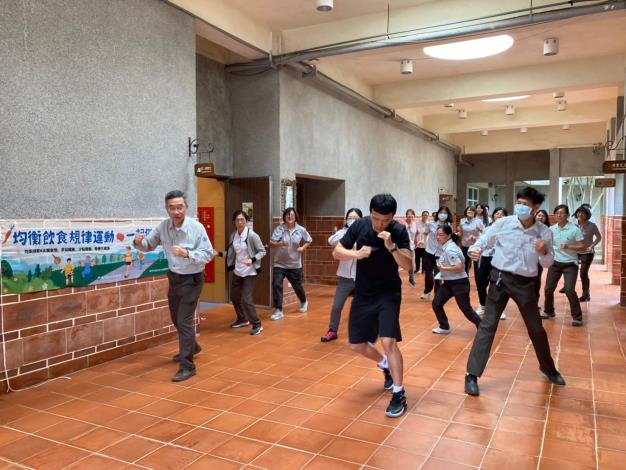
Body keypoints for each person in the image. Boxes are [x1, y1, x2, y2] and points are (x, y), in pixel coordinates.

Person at [464, 187, 565, 396]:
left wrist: (543, 250)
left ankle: (548, 368)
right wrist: (477, 249)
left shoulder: (544, 232)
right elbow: (485, 239)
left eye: (526, 204)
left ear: (536, 208)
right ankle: (471, 375)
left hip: (526, 283)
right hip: (500, 278)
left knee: (536, 329)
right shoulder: (503, 223)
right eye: (519, 202)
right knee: (488, 325)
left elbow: (547, 263)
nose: (520, 206)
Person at [333, 193, 412, 418]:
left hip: (388, 294)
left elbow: (408, 265)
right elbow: (337, 251)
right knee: (357, 344)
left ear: (392, 217)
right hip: (364, 294)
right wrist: (355, 253)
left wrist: (391, 247)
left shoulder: (398, 231)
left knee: (388, 341)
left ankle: (398, 393)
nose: (379, 224)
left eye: (385, 220)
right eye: (376, 219)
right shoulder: (360, 226)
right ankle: (384, 364)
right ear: (370, 213)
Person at [134, 190, 213, 382]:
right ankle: (192, 346)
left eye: (179, 207)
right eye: (172, 208)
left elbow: (208, 254)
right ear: (167, 209)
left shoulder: (197, 228)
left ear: (186, 207)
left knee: (184, 320)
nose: (176, 211)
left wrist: (187, 253)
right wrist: (138, 243)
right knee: (176, 318)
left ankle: (188, 365)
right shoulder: (163, 227)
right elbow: (149, 245)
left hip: (193, 278)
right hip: (174, 278)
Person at [219, 210, 266, 336]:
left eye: (242, 220)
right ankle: (242, 319)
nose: (240, 222)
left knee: (246, 299)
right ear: (234, 222)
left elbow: (262, 251)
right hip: (237, 271)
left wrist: (252, 260)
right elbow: (231, 253)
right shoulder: (233, 236)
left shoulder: (252, 236)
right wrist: (218, 253)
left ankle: (256, 324)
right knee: (234, 297)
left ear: (246, 221)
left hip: (250, 272)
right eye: (237, 220)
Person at [321, 208, 362, 342]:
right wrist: (348, 232)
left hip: (362, 276)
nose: (352, 220)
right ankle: (332, 330)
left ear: (361, 219)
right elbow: (331, 240)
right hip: (345, 277)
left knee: (365, 304)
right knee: (337, 305)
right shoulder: (342, 232)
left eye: (355, 218)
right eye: (350, 218)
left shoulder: (366, 232)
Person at [431, 225, 482, 334]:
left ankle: (482, 327)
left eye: (441, 235)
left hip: (459, 283)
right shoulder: (447, 246)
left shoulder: (450, 249)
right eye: (437, 235)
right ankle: (444, 326)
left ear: (449, 236)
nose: (438, 237)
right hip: (449, 283)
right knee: (437, 303)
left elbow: (459, 266)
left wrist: (443, 268)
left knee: (466, 309)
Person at [541, 205, 585, 326]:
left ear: (567, 215)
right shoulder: (551, 229)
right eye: (557, 213)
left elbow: (582, 246)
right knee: (548, 289)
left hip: (570, 264)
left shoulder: (574, 229)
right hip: (555, 263)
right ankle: (549, 311)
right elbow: (547, 244)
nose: (559, 215)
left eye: (562, 213)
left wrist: (568, 246)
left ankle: (577, 317)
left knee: (569, 290)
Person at [269, 207, 312, 321]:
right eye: (287, 215)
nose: (289, 217)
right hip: (279, 263)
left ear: (295, 216)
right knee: (276, 284)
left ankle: (304, 301)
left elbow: (309, 240)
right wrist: (281, 243)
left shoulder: (301, 229)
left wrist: (303, 247)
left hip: (294, 265)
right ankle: (278, 310)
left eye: (291, 215)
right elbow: (272, 243)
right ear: (284, 217)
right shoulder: (280, 229)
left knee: (297, 286)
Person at [475, 207, 507, 317]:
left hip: (499, 259)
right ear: (493, 215)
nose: (499, 215)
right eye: (497, 213)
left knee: (498, 285)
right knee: (480, 283)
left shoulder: (508, 230)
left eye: (502, 214)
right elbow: (482, 241)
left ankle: (500, 309)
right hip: (486, 257)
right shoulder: (488, 228)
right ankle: (483, 305)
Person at [421, 206, 453, 301]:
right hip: (429, 252)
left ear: (447, 215)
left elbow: (450, 239)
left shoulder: (449, 227)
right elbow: (425, 233)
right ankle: (427, 291)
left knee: (438, 276)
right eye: (441, 212)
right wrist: (422, 241)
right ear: (438, 213)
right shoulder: (431, 224)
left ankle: (437, 295)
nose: (442, 214)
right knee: (428, 275)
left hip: (441, 254)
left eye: (445, 213)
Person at [574, 205, 601, 302]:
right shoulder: (573, 224)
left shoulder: (592, 225)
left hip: (587, 252)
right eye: (578, 212)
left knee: (583, 273)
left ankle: (586, 295)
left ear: (587, 215)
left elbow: (599, 237)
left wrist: (592, 246)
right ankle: (569, 289)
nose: (580, 214)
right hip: (575, 252)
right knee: (571, 272)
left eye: (583, 213)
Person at [459, 206, 483, 274]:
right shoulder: (462, 220)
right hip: (465, 245)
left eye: (472, 211)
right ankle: (465, 282)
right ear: (466, 212)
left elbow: (484, 233)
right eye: (468, 211)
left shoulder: (478, 221)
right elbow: (461, 233)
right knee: (465, 265)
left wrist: (479, 229)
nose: (470, 212)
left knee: (476, 266)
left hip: (475, 246)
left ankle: (478, 282)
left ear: (474, 212)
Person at [534, 209, 551, 305]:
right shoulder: (529, 228)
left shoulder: (548, 230)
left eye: (543, 216)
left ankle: (535, 301)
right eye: (538, 215)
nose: (540, 217)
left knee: (536, 281)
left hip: (539, 259)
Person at [404, 209, 418, 287]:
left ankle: (411, 278)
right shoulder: (403, 223)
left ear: (414, 216)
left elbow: (416, 234)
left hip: (411, 246)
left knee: (412, 264)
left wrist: (416, 242)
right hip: (403, 246)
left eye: (411, 215)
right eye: (408, 215)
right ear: (406, 216)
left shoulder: (415, 224)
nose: (410, 217)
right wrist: (407, 227)